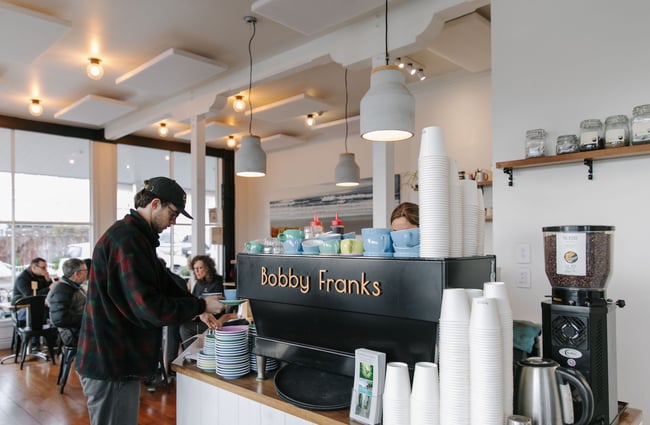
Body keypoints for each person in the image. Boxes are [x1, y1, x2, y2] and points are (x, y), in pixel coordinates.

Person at [75, 176, 226, 425]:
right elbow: (149, 307)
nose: (174, 221)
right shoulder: (128, 240)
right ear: (155, 203)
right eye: (173, 213)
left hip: (116, 358)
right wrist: (199, 305)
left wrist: (195, 308)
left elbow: (163, 280)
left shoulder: (135, 236)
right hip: (111, 361)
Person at [179, 255, 234, 349]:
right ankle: (175, 358)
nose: (197, 271)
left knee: (184, 328)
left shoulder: (219, 282)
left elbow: (223, 307)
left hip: (214, 321)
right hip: (200, 319)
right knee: (177, 323)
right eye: (195, 268)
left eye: (200, 268)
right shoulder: (198, 284)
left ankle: (190, 356)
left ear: (208, 268)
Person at [47, 258, 87, 347]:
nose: (87, 273)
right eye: (85, 270)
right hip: (74, 334)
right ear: (77, 274)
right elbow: (60, 319)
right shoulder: (62, 290)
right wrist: (88, 319)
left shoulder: (73, 287)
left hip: (80, 329)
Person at [12, 257, 54, 333]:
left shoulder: (42, 276)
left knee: (56, 311)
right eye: (43, 268)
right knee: (40, 312)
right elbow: (30, 296)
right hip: (22, 309)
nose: (46, 270)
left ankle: (50, 339)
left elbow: (50, 293)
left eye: (46, 267)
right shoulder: (22, 279)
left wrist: (48, 281)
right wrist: (49, 288)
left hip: (39, 305)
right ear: (34, 267)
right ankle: (35, 340)